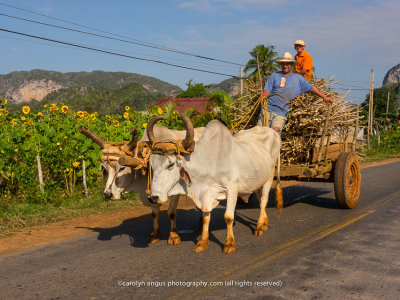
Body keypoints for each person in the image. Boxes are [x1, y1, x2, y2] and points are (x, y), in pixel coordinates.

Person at [259, 51, 333, 133]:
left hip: (281, 112)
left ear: (291, 65)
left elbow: (311, 88)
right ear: (281, 65)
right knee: (260, 134)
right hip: (267, 109)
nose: (285, 66)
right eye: (283, 64)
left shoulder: (297, 78)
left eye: (287, 63)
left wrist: (324, 97)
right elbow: (267, 90)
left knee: (274, 133)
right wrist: (264, 95)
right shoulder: (274, 75)